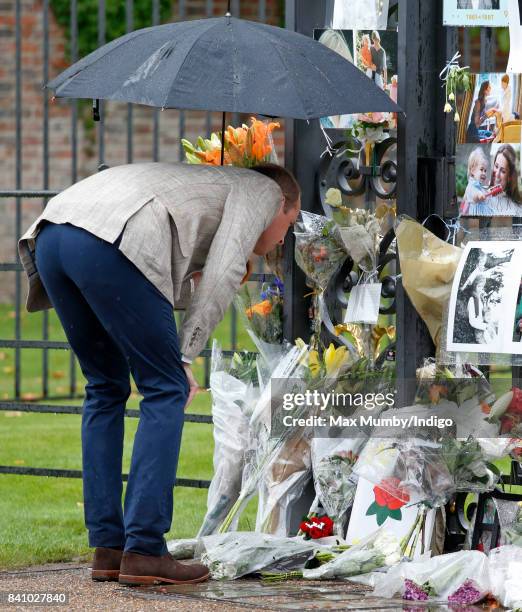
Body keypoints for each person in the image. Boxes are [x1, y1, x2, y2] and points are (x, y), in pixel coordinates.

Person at [18, 161, 301, 586]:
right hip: (112, 238)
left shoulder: (208, 184)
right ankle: (146, 549)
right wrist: (185, 357)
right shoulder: (262, 189)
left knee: (105, 388)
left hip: (53, 235)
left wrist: (210, 271)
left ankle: (108, 548)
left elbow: (152, 282)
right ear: (284, 203)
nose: (283, 238)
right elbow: (220, 267)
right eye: (289, 225)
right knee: (166, 388)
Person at [489, 144, 522, 215]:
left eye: (503, 171)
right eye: (496, 166)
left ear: (510, 177)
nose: (497, 174)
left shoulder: (516, 210)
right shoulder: (482, 194)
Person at [460, 147, 493, 216]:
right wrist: (479, 195)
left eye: (485, 170)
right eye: (481, 169)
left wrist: (490, 191)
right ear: (472, 171)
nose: (484, 173)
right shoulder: (472, 186)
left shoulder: (479, 186)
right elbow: (475, 195)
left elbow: (464, 199)